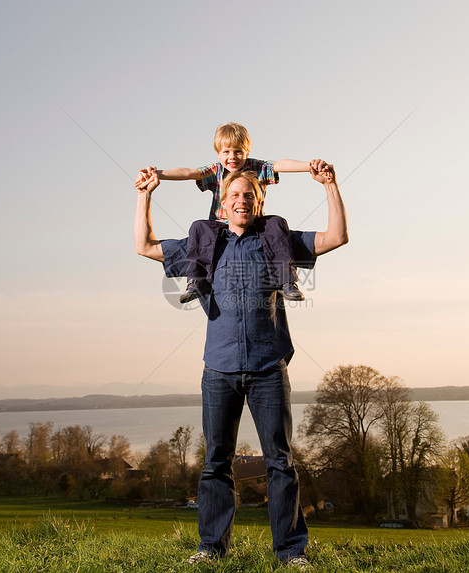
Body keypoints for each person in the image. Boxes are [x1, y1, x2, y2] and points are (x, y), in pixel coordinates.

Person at [133, 159, 348, 568]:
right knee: (216, 462)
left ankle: (291, 553)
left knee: (280, 462)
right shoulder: (206, 245)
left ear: (259, 201)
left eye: (248, 194)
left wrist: (330, 186)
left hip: (268, 369)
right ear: (222, 205)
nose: (241, 200)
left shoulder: (276, 240)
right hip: (218, 370)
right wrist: (145, 197)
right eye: (233, 195)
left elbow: (337, 236)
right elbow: (144, 246)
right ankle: (211, 549)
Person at [143, 122, 313, 303]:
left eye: (238, 151)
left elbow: (281, 165)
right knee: (198, 227)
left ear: (246, 152)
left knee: (275, 223)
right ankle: (196, 280)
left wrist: (309, 165)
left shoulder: (257, 167)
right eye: (226, 152)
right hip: (220, 228)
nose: (232, 157)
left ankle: (286, 281)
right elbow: (188, 172)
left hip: (252, 224)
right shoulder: (215, 171)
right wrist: (158, 174)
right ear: (218, 153)